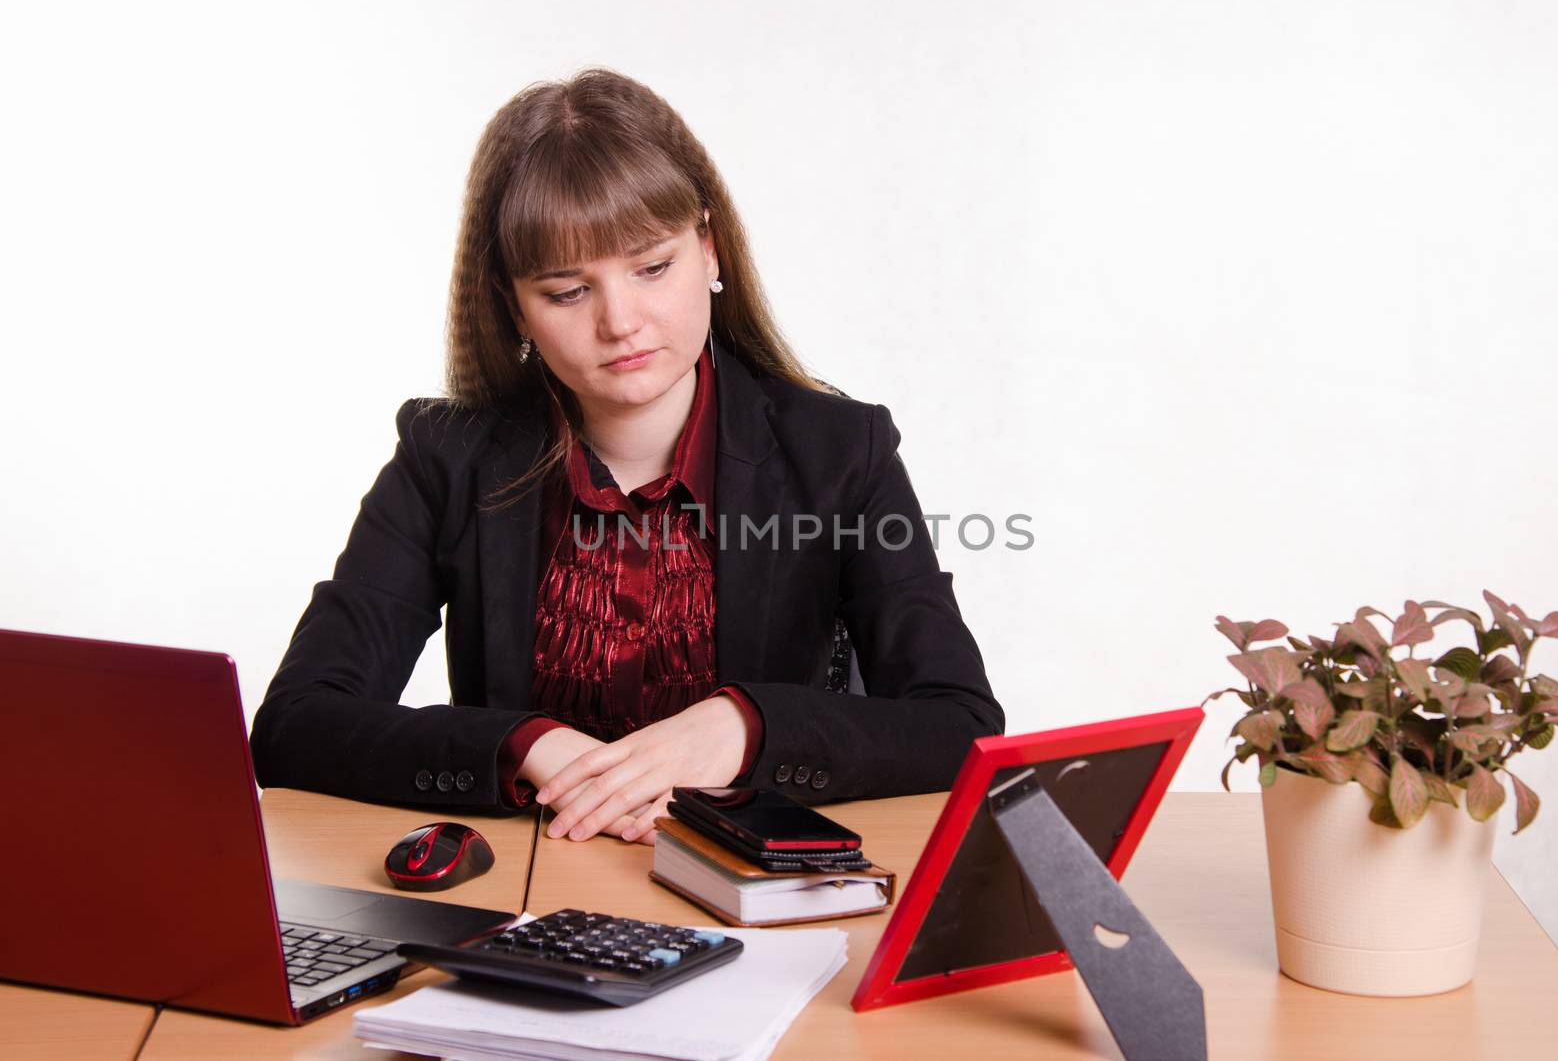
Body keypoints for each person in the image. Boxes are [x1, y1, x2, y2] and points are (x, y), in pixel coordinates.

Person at [248, 67, 1003, 846]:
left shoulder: (843, 452)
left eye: (652, 267)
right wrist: (525, 745)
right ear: (514, 307)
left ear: (710, 251)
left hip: (753, 891)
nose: (621, 321)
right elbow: (296, 721)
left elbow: (959, 721)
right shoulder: (448, 456)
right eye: (568, 291)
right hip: (533, 893)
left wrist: (744, 726)